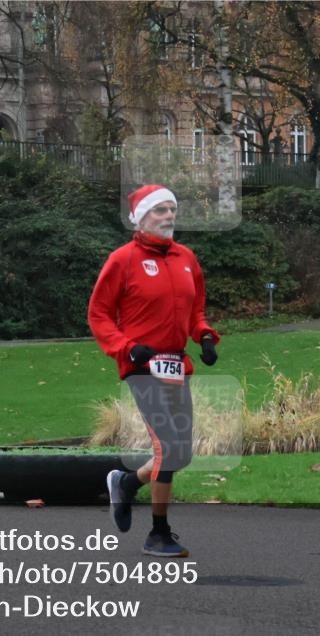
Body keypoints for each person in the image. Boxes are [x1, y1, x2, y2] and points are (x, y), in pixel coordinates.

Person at [88, 184, 220, 558]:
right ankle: (158, 533)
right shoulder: (122, 260)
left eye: (171, 209)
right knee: (167, 446)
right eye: (159, 210)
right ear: (141, 218)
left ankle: (127, 484)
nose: (168, 216)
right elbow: (98, 314)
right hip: (141, 365)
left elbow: (195, 311)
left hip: (177, 365)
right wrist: (127, 348)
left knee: (181, 453)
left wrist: (205, 336)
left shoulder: (187, 259)